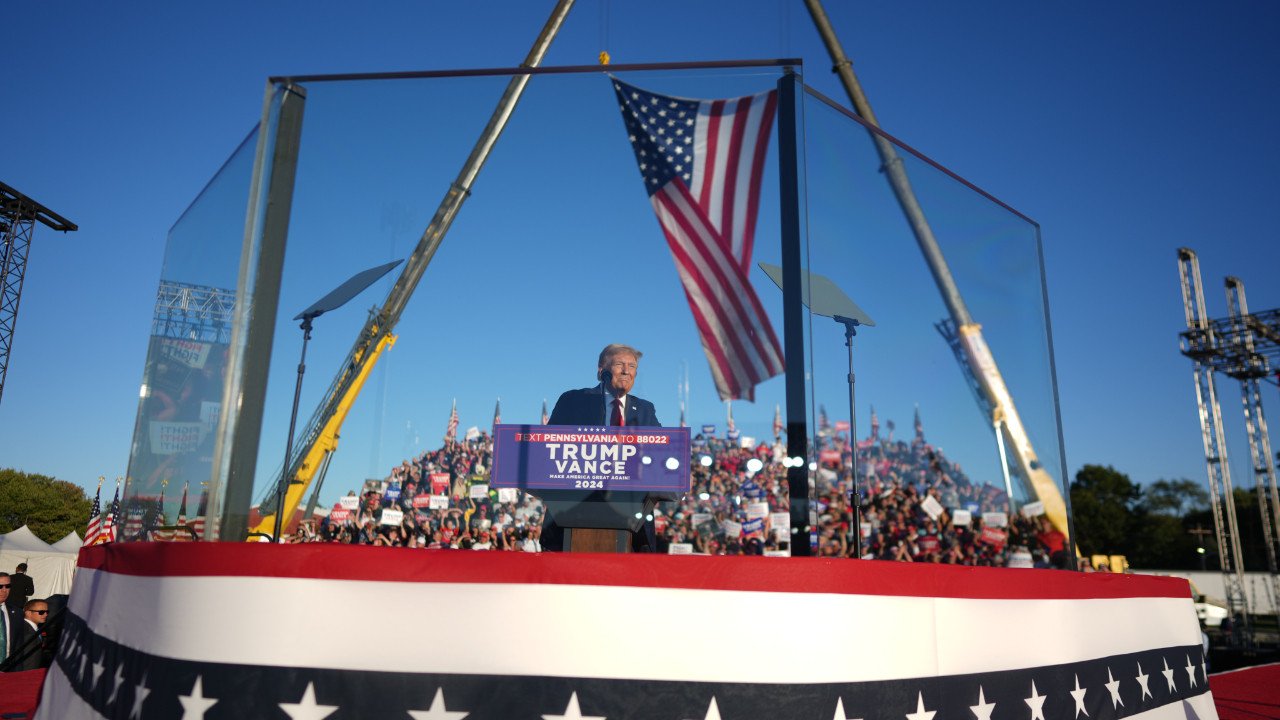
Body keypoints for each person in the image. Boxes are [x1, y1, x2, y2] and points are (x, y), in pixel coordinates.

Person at [544, 343, 661, 551]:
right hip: (572, 515)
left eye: (632, 366)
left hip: (632, 525)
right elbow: (547, 447)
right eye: (619, 364)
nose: (627, 370)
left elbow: (662, 452)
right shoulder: (574, 400)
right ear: (601, 370)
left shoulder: (645, 410)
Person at [10, 599, 49, 671]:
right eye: (41, 612)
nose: (45, 614)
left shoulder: (36, 628)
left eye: (47, 612)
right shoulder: (25, 631)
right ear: (28, 613)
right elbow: (26, 659)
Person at [0, 573, 22, 671]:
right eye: (0, 586)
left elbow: (19, 645)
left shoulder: (17, 612)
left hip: (9, 670)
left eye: (8, 586)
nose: (4, 590)